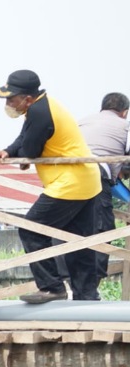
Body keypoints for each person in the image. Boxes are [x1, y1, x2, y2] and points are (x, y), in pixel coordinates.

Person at [0, 70, 102, 303]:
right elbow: (24, 139)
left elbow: (30, 150)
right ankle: (87, 298)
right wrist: (8, 151)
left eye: (11, 99)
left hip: (70, 182)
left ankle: (52, 287)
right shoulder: (42, 106)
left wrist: (20, 156)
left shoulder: (39, 112)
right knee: (77, 241)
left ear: (27, 99)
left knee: (31, 229)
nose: (8, 104)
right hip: (84, 180)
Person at [78, 93, 130, 287]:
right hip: (95, 175)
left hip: (67, 175)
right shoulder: (125, 126)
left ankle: (69, 282)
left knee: (70, 228)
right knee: (102, 228)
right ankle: (93, 283)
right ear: (124, 112)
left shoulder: (82, 122)